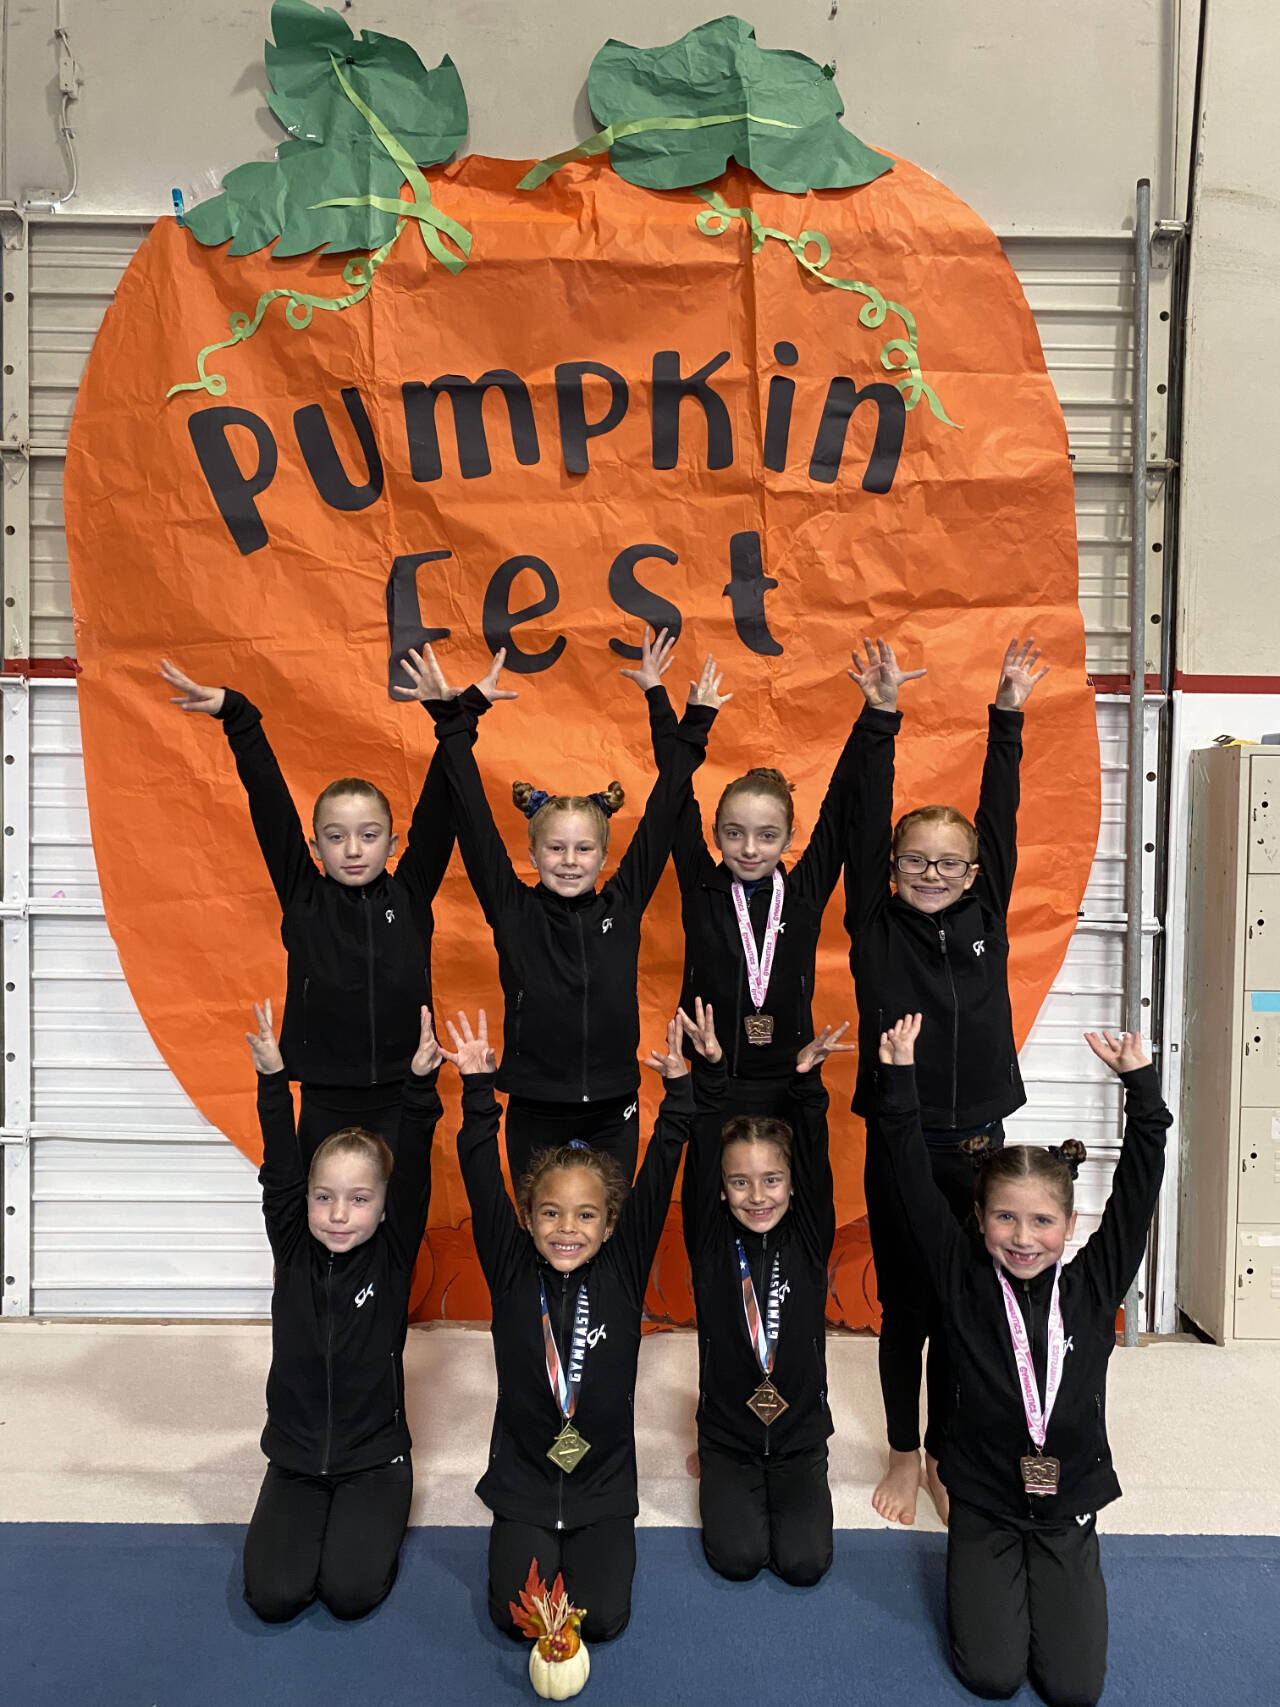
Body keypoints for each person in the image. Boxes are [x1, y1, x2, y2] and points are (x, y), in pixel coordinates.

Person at [875, 1013, 1171, 1707]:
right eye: (1005, 1217)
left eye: (1042, 1220)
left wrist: (1142, 1089)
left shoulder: (1094, 1285)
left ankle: (1056, 1563)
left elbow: (1138, 1187)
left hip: (1067, 1501)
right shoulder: (960, 1276)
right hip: (983, 1498)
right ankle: (985, 1563)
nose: (1023, 1237)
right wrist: (898, 1081)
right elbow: (909, 1174)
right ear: (980, 1220)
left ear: (1070, 1225)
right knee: (991, 1674)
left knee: (1073, 1689)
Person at [843, 636, 1047, 1525]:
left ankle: (942, 1454)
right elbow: (863, 817)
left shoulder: (985, 910)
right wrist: (882, 716)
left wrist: (1008, 714)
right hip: (902, 1144)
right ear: (892, 867)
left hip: (978, 1148)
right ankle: (900, 1449)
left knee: (968, 1307)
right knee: (907, 1309)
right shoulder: (873, 922)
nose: (932, 874)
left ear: (973, 871)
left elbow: (999, 811)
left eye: (949, 862)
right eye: (915, 860)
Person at [158, 654, 511, 1158]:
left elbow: (442, 804)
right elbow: (270, 803)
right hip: (325, 1094)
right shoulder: (304, 895)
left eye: (368, 835)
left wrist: (463, 713)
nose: (352, 850)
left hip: (406, 1087)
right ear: (315, 846)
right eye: (336, 837)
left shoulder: (409, 893)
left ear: (392, 844)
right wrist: (239, 716)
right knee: (326, 1203)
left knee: (400, 1202)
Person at [393, 634, 716, 1182]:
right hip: (535, 1103)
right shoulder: (512, 908)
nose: (569, 862)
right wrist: (453, 720)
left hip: (613, 1103)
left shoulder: (623, 902)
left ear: (604, 856)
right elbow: (471, 815)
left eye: (584, 849)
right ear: (533, 854)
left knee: (609, 1225)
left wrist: (688, 717)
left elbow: (666, 806)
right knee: (538, 1225)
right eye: (556, 849)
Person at [448, 1006, 695, 1644]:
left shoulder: (623, 1267)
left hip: (602, 1485)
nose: (567, 1228)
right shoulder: (510, 1268)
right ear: (528, 1218)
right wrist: (477, 1092)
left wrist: (678, 1094)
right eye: (551, 1213)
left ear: (610, 1225)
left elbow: (660, 1168)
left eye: (586, 1215)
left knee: (603, 1621)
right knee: (518, 1620)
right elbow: (480, 1174)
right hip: (526, 1480)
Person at [240, 998, 444, 1623]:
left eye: (358, 1200)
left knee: (350, 1594)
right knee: (274, 1597)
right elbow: (280, 1166)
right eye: (323, 1196)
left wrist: (420, 1085)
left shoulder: (392, 1251)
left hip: (374, 1460)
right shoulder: (292, 1244)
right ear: (305, 1199)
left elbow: (413, 1168)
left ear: (382, 1208)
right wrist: (273, 1081)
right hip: (296, 1458)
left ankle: (370, 1505)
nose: (336, 1214)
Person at [678, 997, 854, 1585]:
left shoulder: (809, 1233)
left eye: (772, 1179)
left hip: (800, 1435)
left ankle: (786, 1472)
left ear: (792, 1184)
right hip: (728, 1435)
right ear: (721, 1189)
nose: (758, 1196)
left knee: (805, 1564)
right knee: (736, 1559)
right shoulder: (709, 1239)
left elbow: (815, 1153)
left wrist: (807, 1084)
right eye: (740, 1182)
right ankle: (716, 1459)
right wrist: (709, 1076)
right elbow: (702, 1146)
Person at [646, 642, 864, 1115]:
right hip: (709, 1072)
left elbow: (840, 807)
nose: (749, 849)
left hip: (789, 1073)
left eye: (766, 836)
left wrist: (876, 716)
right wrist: (667, 706)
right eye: (734, 833)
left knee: (781, 1168)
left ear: (788, 838)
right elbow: (674, 791)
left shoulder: (803, 893)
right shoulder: (701, 886)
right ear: (715, 834)